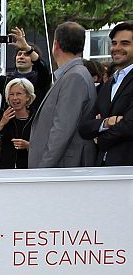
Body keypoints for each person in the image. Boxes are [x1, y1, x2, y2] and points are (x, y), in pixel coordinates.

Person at [28, 21, 96, 168]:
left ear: (56, 44)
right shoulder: (73, 74)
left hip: (63, 166)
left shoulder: (75, 76)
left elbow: (62, 129)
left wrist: (43, 169)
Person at [79, 21, 133, 165]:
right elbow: (84, 127)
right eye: (114, 43)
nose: (117, 48)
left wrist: (100, 139)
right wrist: (107, 122)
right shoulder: (108, 84)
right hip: (103, 166)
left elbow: (129, 126)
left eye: (125, 43)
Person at [0, 27, 51, 109]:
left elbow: (43, 68)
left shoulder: (40, 80)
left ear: (33, 61)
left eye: (26, 54)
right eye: (19, 54)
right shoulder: (7, 81)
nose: (21, 57)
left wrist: (26, 47)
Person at [0, 78, 35, 169]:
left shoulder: (36, 117)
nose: (15, 98)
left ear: (28, 97)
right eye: (11, 94)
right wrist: (1, 124)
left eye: (19, 94)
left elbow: (45, 144)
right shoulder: (3, 115)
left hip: (29, 169)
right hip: (4, 170)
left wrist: (28, 145)